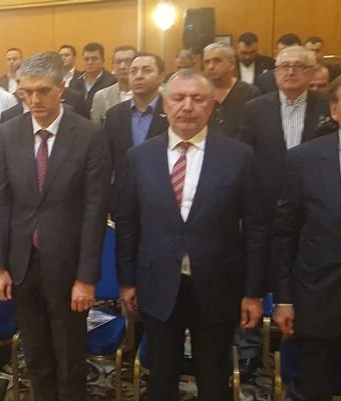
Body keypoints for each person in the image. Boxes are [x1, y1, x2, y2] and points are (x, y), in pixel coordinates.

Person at [114, 69, 266, 401]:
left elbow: (256, 228)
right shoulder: (139, 157)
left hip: (218, 284)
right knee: (161, 376)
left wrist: (253, 292)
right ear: (164, 105)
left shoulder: (239, 156)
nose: (187, 106)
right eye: (178, 98)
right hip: (156, 283)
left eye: (197, 99)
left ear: (211, 105)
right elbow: (127, 224)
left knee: (214, 378)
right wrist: (126, 281)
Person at [0, 52, 110, 400]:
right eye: (26, 92)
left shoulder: (88, 135)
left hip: (68, 266)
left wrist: (86, 277)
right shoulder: (9, 132)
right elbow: (0, 202)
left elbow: (94, 211)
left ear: (62, 88)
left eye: (43, 90)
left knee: (69, 356)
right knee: (36, 354)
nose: (34, 100)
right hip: (22, 262)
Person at [238, 46, 330, 377]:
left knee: (303, 277)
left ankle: (302, 341)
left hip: (312, 210)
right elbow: (244, 157)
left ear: (311, 72)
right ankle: (250, 348)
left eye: (298, 66)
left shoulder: (326, 106)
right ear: (274, 71)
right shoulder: (255, 108)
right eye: (283, 66)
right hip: (264, 208)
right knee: (254, 275)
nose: (290, 72)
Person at [272, 76, 341, 401]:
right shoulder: (304, 159)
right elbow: (285, 235)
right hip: (318, 300)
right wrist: (284, 299)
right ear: (335, 110)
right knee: (313, 390)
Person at [104, 52, 168, 213]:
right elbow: (106, 162)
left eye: (146, 70)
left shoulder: (172, 112)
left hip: (164, 199)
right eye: (133, 71)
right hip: (123, 201)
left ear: (161, 76)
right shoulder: (114, 115)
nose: (139, 76)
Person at [203, 42, 261, 138]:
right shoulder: (200, 93)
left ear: (232, 64)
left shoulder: (250, 93)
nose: (210, 66)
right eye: (206, 62)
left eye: (217, 61)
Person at [90, 45, 137, 125]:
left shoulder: (153, 94)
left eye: (128, 61)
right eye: (118, 62)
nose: (122, 66)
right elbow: (95, 128)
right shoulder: (101, 96)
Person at [71, 42, 118, 119]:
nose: (90, 62)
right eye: (86, 59)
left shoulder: (112, 82)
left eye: (94, 59)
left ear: (103, 61)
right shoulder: (75, 80)